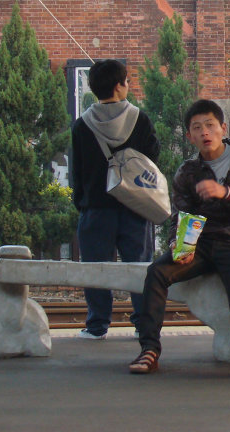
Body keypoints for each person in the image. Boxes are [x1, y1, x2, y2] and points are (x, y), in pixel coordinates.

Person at [129, 99, 230, 377]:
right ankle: (149, 350)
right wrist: (179, 244)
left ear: (222, 128)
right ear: (190, 136)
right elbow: (181, 214)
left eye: (210, 125)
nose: (205, 132)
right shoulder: (187, 171)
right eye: (197, 128)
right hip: (201, 244)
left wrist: (225, 193)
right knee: (157, 272)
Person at [70, 59, 159, 340]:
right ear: (120, 86)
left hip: (96, 208)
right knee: (140, 268)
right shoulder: (140, 119)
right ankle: (143, 324)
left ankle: (97, 325)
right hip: (135, 206)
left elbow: (77, 171)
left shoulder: (82, 124)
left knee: (96, 269)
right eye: (127, 81)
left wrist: (83, 203)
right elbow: (152, 159)